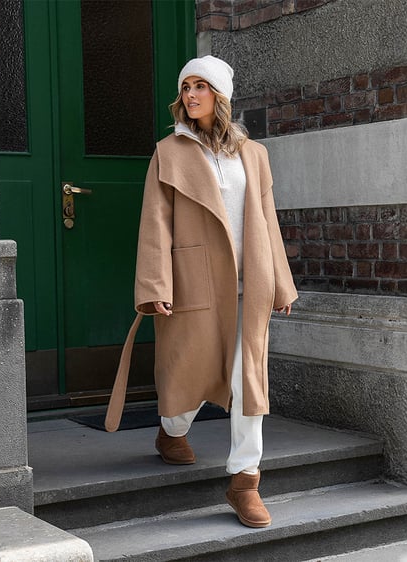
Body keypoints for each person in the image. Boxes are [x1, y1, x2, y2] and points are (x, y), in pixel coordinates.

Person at [110, 55, 298, 529]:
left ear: (221, 95)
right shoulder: (168, 152)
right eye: (186, 87)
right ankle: (171, 431)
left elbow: (268, 219)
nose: (191, 95)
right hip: (194, 280)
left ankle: (245, 481)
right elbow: (155, 222)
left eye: (201, 86)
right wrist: (155, 283)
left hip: (250, 282)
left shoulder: (254, 154)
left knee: (246, 381)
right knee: (191, 373)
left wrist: (280, 281)